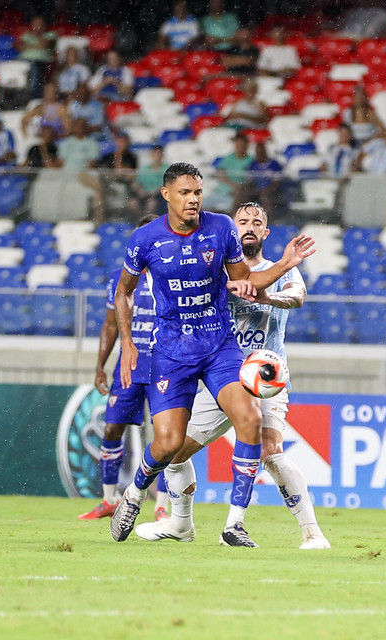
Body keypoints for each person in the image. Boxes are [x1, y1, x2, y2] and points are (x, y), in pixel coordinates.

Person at [109, 162, 315, 543]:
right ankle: (136, 494)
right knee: (169, 444)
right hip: (172, 350)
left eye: (198, 192)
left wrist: (286, 264)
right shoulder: (145, 239)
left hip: (220, 345)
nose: (193, 199)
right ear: (166, 194)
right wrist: (126, 344)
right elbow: (123, 291)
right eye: (185, 192)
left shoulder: (221, 228)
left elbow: (243, 280)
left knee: (250, 420)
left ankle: (234, 524)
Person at [78, 214, 171, 521]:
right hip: (128, 367)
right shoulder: (121, 278)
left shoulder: (172, 274)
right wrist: (100, 366)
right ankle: (109, 499)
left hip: (166, 367)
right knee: (112, 427)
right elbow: (109, 325)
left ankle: (162, 506)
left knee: (166, 435)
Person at [207, 131, 254, 211]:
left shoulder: (251, 161)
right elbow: (221, 175)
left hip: (238, 193)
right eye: (238, 145)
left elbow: (251, 179)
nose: (240, 147)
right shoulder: (228, 159)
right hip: (222, 190)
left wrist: (239, 188)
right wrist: (233, 185)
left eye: (242, 145)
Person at [16, 15, 57, 98]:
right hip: (23, 61)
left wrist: (29, 46)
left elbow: (45, 44)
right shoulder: (26, 35)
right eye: (36, 24)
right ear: (32, 25)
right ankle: (17, 94)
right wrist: (37, 45)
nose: (38, 26)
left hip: (43, 63)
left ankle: (34, 94)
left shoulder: (51, 35)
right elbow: (20, 47)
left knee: (33, 66)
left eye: (40, 24)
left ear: (44, 25)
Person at [245, 141, 283, 216]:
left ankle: (266, 217)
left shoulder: (274, 165)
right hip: (256, 189)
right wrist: (252, 189)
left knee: (265, 196)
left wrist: (267, 189)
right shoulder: (252, 165)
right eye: (258, 151)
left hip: (271, 190)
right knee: (243, 193)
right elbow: (250, 180)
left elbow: (277, 182)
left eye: (261, 151)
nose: (260, 153)